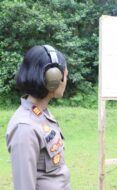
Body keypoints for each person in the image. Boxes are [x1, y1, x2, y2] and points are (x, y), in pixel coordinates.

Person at [5, 45, 70, 190]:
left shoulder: (43, 115)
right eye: (65, 75)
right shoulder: (25, 128)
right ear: (53, 79)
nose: (66, 80)